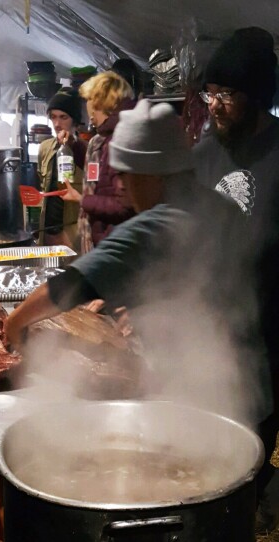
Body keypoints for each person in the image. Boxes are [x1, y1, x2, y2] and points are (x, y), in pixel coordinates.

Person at [5, 99, 273, 526]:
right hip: (252, 389)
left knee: (187, 505)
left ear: (153, 174)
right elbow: (197, 283)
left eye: (127, 176)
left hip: (206, 398)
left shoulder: (157, 223)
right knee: (230, 500)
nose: (124, 188)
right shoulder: (216, 205)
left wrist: (15, 321)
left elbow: (66, 287)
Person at [192, 27, 279, 525]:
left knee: (262, 417)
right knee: (217, 407)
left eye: (226, 94)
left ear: (257, 94)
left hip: (270, 316)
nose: (215, 106)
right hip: (213, 311)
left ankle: (254, 494)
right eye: (210, 93)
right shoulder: (205, 152)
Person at [62, 71, 136, 253]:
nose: (90, 115)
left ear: (102, 102)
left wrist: (82, 199)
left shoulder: (121, 140)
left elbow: (124, 206)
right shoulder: (104, 138)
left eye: (90, 102)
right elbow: (100, 174)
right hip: (107, 241)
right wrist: (74, 145)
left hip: (116, 246)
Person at [35, 88, 87, 249]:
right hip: (47, 231)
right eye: (53, 117)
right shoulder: (45, 148)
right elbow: (42, 184)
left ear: (75, 120)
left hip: (74, 232)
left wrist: (72, 144)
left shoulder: (87, 150)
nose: (57, 124)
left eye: (63, 117)